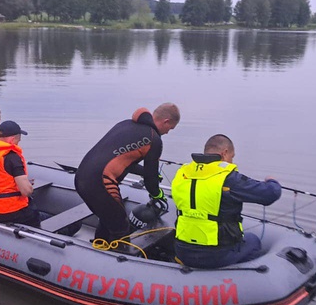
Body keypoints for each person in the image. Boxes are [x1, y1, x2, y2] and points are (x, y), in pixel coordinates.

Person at [171, 134, 281, 269]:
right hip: (216, 254)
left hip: (182, 250)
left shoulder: (182, 173)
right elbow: (271, 194)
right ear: (225, 153)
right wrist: (272, 181)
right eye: (232, 157)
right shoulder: (228, 178)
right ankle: (237, 280)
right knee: (253, 241)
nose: (232, 162)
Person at [75, 103, 180, 242]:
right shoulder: (154, 140)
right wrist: (158, 195)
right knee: (121, 228)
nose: (167, 132)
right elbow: (150, 181)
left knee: (109, 218)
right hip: (100, 184)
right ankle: (111, 259)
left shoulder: (126, 125)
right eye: (170, 128)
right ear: (166, 121)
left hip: (81, 178)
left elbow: (120, 161)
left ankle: (99, 245)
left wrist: (144, 171)